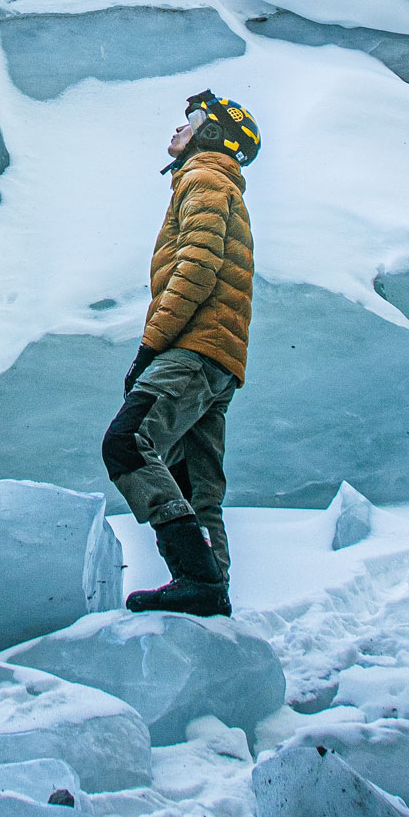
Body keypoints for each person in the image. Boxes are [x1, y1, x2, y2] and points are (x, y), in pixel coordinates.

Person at [103, 87, 260, 616]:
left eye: (191, 120)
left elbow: (197, 263)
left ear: (211, 134)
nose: (178, 128)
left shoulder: (205, 178)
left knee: (127, 443)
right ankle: (213, 595)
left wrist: (150, 349)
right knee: (197, 485)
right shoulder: (220, 183)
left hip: (192, 349)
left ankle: (194, 575)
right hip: (220, 361)